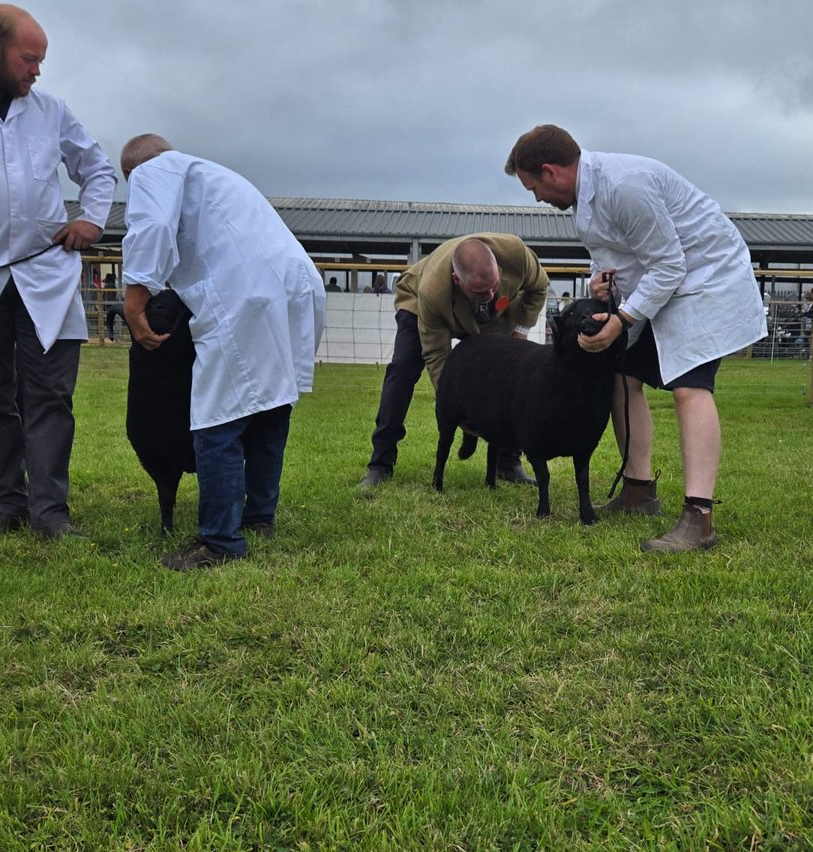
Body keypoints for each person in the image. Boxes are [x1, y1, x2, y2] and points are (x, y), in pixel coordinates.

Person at [505, 124, 767, 553]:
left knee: (690, 386)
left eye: (534, 187)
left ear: (550, 172)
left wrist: (622, 319)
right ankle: (638, 492)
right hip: (663, 284)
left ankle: (699, 519)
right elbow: (613, 256)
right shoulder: (584, 201)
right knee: (623, 378)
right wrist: (601, 284)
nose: (537, 198)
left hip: (705, 278)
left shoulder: (625, 186)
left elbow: (670, 264)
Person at [0, 5, 116, 540]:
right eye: (29, 59)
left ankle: (51, 515)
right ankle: (9, 505)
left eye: (41, 61)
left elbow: (97, 167)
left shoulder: (50, 111)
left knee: (49, 396)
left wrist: (90, 218)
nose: (37, 71)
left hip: (45, 277)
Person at [119, 134, 326, 571]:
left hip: (244, 294)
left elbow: (151, 229)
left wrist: (134, 300)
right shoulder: (213, 174)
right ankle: (258, 519)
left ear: (132, 173)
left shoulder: (152, 171)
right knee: (271, 408)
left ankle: (219, 540)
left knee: (216, 419)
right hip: (296, 284)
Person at [358, 233, 548, 490]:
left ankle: (508, 462)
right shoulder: (432, 293)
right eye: (482, 291)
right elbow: (437, 357)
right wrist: (457, 406)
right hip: (419, 304)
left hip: (494, 318)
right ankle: (380, 463)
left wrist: (521, 331)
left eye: (494, 285)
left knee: (508, 374)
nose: (491, 294)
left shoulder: (515, 254)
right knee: (402, 371)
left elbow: (539, 287)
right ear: (457, 280)